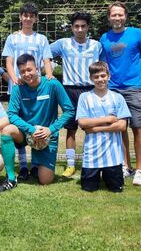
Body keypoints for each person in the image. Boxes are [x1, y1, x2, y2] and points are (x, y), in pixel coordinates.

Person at [100, 2, 141, 186]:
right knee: (119, 128)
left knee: (138, 127)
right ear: (109, 17)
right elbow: (103, 65)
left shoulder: (137, 33)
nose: (117, 18)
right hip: (112, 89)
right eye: (114, 15)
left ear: (125, 16)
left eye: (120, 15)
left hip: (134, 87)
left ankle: (140, 170)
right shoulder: (104, 38)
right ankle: (125, 166)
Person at [0, 54, 75, 193]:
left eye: (29, 69)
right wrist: (30, 129)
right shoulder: (18, 88)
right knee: (7, 130)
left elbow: (69, 111)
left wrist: (51, 129)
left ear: (37, 68)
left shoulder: (52, 84)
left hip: (46, 136)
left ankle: (37, 164)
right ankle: (11, 178)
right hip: (26, 133)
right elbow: (11, 114)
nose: (26, 74)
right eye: (23, 71)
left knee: (45, 180)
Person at [2, 2, 54, 180]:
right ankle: (23, 164)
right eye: (25, 15)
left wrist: (49, 77)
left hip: (35, 87)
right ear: (20, 17)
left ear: (35, 19)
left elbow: (46, 60)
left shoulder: (41, 39)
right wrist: (13, 78)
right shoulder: (12, 38)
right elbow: (9, 61)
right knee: (19, 126)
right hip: (18, 87)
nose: (28, 18)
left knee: (36, 122)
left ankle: (36, 164)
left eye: (31, 16)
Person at [50, 12, 102, 177]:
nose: (80, 29)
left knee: (91, 128)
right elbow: (43, 53)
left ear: (88, 27)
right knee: (71, 129)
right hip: (69, 90)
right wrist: (49, 72)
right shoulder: (63, 44)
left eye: (83, 26)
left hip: (90, 90)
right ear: (72, 28)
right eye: (76, 26)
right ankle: (70, 165)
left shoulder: (96, 45)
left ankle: (92, 162)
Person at [76, 61, 131, 192]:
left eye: (102, 75)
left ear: (108, 76)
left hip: (113, 156)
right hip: (92, 154)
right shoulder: (84, 97)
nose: (100, 79)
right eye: (96, 77)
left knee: (116, 189)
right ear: (91, 79)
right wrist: (109, 119)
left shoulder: (117, 98)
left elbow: (122, 126)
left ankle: (114, 174)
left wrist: (95, 128)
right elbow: (82, 123)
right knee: (88, 189)